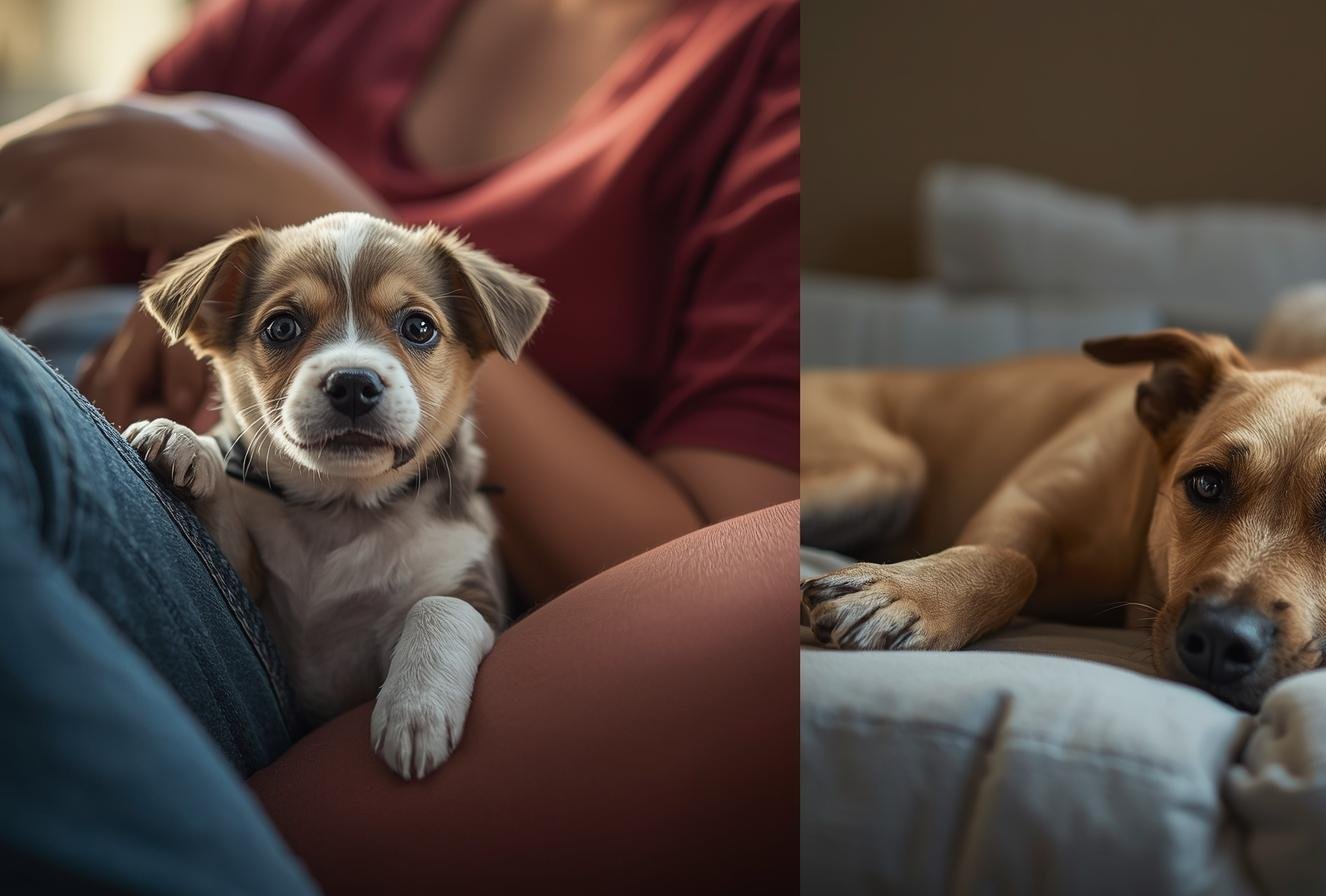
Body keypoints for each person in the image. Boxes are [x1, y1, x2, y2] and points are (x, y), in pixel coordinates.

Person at [0, 0, 796, 890]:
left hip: (234, 594)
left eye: (414, 326)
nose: (349, 367)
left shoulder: (771, 59)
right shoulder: (285, 19)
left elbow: (736, 561)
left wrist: (269, 181)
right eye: (287, 324)